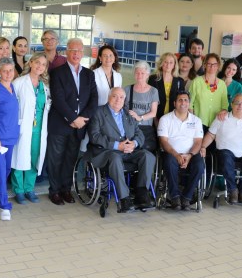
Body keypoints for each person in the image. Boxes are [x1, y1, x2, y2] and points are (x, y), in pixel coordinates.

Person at [47, 38, 98, 205]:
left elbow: (93, 99)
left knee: (70, 159)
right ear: (66, 52)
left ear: (83, 53)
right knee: (56, 159)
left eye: (79, 51)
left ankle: (66, 189)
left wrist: (82, 120)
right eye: (72, 50)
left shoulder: (89, 74)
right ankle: (54, 191)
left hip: (79, 126)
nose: (76, 54)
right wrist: (72, 118)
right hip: (60, 124)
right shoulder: (57, 72)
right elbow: (58, 99)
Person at [88, 87, 157, 211]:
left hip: (129, 151)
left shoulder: (128, 114)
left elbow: (139, 133)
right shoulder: (98, 112)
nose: (118, 100)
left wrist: (134, 143)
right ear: (109, 97)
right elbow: (95, 136)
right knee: (115, 158)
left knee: (148, 156)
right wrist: (117, 145)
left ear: (124, 99)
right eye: (115, 96)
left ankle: (142, 194)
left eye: (121, 97)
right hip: (108, 152)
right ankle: (124, 198)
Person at [11, 53, 50, 204]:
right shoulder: (19, 82)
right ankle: (19, 190)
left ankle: (29, 188)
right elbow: (13, 107)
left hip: (39, 129)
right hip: (23, 128)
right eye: (37, 63)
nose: (40, 66)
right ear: (31, 63)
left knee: (34, 159)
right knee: (20, 158)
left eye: (43, 64)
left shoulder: (44, 87)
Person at [157, 91, 205, 211]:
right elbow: (164, 142)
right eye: (180, 100)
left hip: (191, 154)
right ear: (174, 103)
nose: (183, 103)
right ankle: (175, 197)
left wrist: (189, 155)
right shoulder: (165, 119)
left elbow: (198, 142)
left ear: (189, 104)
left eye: (186, 100)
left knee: (200, 165)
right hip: (172, 153)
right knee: (168, 162)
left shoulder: (196, 120)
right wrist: (176, 155)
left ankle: (187, 197)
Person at [0, 58, 19, 220]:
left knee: (6, 170)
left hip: (11, 136)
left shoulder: (12, 87)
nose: (8, 74)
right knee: (0, 172)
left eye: (11, 70)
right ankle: (4, 206)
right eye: (5, 70)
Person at [189, 53, 229, 131]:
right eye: (209, 64)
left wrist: (224, 111)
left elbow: (225, 105)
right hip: (198, 122)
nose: (212, 67)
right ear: (204, 65)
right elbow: (190, 103)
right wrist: (192, 121)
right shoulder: (197, 81)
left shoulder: (222, 84)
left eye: (214, 64)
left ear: (218, 66)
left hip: (216, 122)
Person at [125, 61, 159, 152]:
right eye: (137, 73)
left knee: (146, 150)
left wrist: (140, 117)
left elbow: (153, 112)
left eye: (142, 73)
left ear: (148, 75)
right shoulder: (127, 89)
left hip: (146, 129)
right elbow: (122, 109)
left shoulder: (153, 91)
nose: (139, 75)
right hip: (130, 128)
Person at [149, 52, 185, 120]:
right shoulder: (153, 79)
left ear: (174, 65)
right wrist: (155, 120)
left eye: (171, 62)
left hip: (173, 117)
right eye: (165, 62)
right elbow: (149, 100)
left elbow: (181, 102)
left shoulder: (179, 81)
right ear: (161, 63)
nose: (168, 65)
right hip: (156, 116)